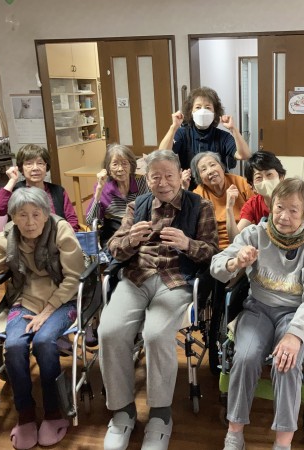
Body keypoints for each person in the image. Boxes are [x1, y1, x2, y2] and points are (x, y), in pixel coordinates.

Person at [98, 149, 218, 450]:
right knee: (109, 331)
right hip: (136, 277)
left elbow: (212, 253)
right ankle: (122, 411)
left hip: (175, 280)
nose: (163, 183)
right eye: (155, 177)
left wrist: (187, 243)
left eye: (169, 176)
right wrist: (131, 240)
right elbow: (113, 247)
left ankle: (161, 415)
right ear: (147, 180)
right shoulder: (136, 206)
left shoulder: (200, 206)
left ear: (180, 176)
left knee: (156, 334)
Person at [0, 188, 85, 450]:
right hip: (24, 301)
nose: (30, 222)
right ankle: (25, 413)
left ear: (46, 214)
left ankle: (53, 411)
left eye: (36, 214)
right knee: (14, 346)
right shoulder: (7, 239)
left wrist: (47, 312)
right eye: (22, 215)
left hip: (62, 300)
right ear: (13, 217)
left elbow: (74, 277)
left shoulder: (60, 230)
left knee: (44, 341)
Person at [211, 178, 304, 450]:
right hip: (258, 309)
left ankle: (282, 442)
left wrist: (295, 335)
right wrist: (235, 261)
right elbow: (216, 267)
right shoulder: (256, 234)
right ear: (271, 205)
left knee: (286, 362)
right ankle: (234, 433)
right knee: (244, 356)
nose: (284, 216)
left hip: (296, 314)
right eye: (279, 207)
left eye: (293, 210)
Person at [158, 86, 252, 188]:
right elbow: (162, 154)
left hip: (218, 189)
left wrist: (233, 129)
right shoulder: (182, 133)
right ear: (191, 111)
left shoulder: (223, 136)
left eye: (208, 107)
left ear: (214, 113)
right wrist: (174, 127)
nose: (202, 111)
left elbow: (244, 155)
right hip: (190, 188)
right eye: (198, 107)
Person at [0, 144, 80, 231]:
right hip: (24, 239)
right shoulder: (14, 191)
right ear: (21, 168)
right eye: (29, 164)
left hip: (57, 237)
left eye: (40, 163)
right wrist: (12, 180)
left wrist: (66, 235)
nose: (35, 168)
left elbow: (72, 220)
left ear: (46, 167)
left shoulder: (58, 190)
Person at [85, 143, 149, 250]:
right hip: (113, 236)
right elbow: (91, 221)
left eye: (124, 163)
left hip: (139, 232)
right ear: (108, 168)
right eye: (115, 164)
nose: (120, 169)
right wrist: (99, 190)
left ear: (131, 165)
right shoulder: (103, 187)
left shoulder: (141, 182)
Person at [190, 151, 254, 249]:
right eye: (203, 169)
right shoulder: (198, 195)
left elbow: (257, 213)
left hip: (247, 242)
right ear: (199, 178)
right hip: (217, 248)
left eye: (213, 165)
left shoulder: (241, 183)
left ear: (222, 167)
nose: (210, 171)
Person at [226, 150, 286, 240]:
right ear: (253, 187)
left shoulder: (294, 198)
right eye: (258, 177)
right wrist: (229, 208)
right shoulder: (253, 204)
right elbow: (235, 239)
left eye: (269, 174)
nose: (265, 181)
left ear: (281, 177)